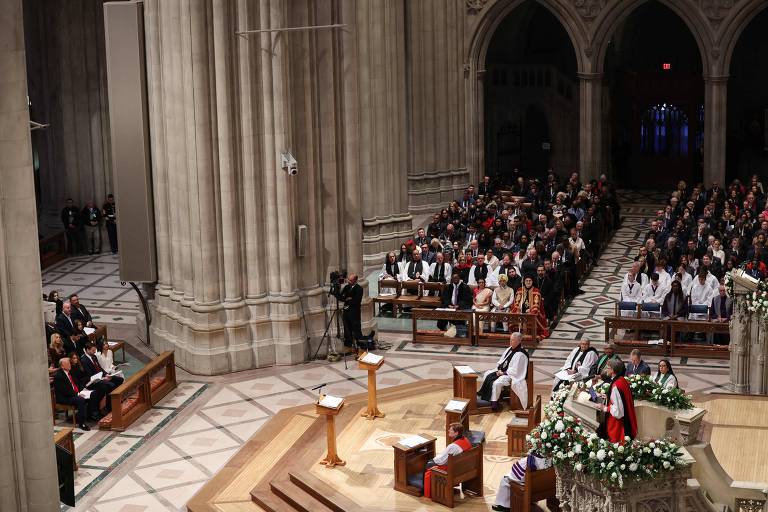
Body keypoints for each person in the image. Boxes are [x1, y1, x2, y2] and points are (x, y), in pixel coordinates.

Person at [478, 332, 529, 411]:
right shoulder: (509, 349)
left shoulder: (521, 354)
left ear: (519, 341)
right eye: (510, 339)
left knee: (497, 383)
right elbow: (502, 361)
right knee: (487, 374)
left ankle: (494, 404)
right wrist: (499, 369)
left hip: (511, 375)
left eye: (513, 340)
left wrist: (503, 373)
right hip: (502, 371)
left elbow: (516, 371)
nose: (510, 342)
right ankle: (485, 397)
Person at [422, 422, 473, 499]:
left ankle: (430, 490)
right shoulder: (465, 440)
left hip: (451, 470)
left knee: (429, 463)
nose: (448, 430)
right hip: (462, 468)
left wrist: (433, 459)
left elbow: (441, 461)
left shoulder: (453, 446)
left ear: (456, 433)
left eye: (451, 430)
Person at [599, 359, 638, 443]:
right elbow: (621, 399)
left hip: (618, 426)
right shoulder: (622, 380)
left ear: (613, 370)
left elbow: (618, 412)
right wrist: (608, 397)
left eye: (608, 368)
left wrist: (605, 408)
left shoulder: (616, 386)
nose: (606, 369)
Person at [52, 357, 91, 430]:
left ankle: (89, 415)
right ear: (62, 366)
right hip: (64, 397)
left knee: (91, 394)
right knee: (80, 400)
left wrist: (83, 390)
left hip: (73, 394)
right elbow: (65, 391)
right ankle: (81, 423)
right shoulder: (58, 376)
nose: (70, 365)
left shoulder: (71, 372)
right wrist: (78, 394)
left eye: (69, 363)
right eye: (67, 364)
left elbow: (77, 383)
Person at [339, 273, 363, 348]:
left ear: (355, 280)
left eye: (350, 280)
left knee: (356, 328)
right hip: (346, 311)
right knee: (347, 327)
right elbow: (342, 297)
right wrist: (347, 298)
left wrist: (348, 299)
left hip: (354, 312)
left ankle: (359, 344)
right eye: (348, 279)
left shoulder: (359, 289)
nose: (348, 281)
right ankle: (348, 343)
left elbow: (356, 301)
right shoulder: (346, 287)